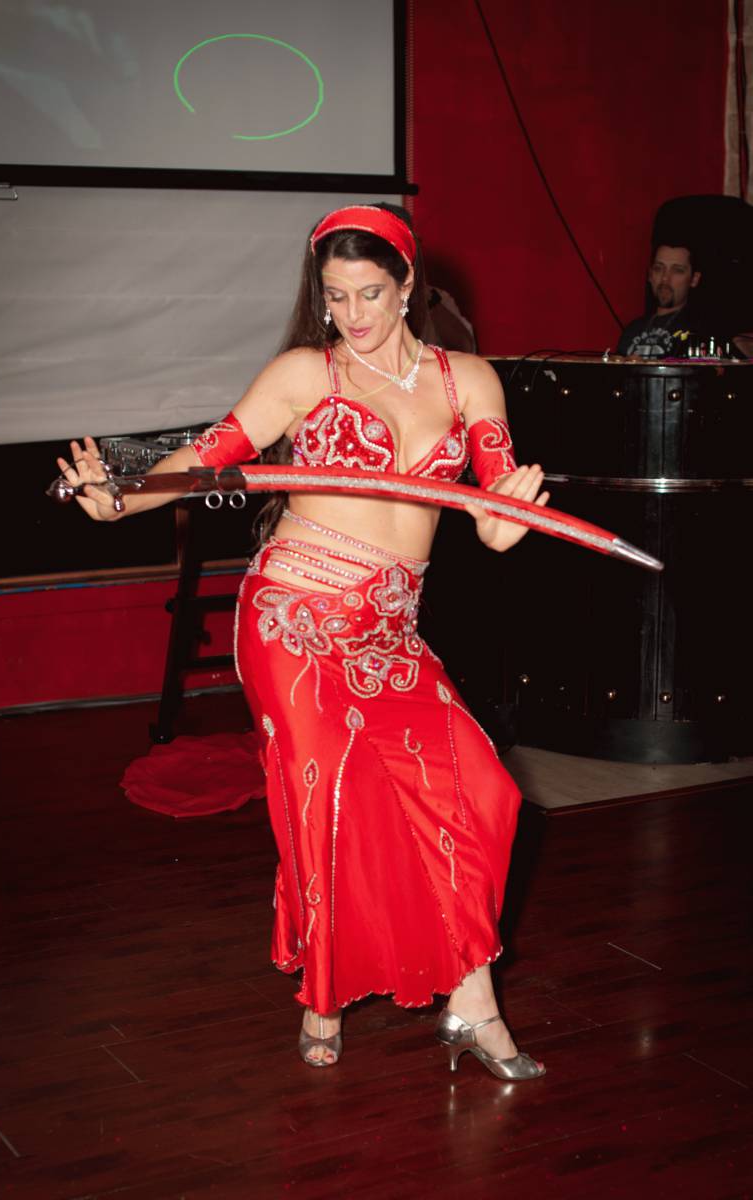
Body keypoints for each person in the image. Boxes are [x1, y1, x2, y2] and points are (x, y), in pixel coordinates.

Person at [58, 204, 549, 1077]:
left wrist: (504, 521)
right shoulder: (303, 372)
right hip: (294, 614)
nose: (352, 313)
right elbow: (208, 459)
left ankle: (470, 1000)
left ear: (407, 285)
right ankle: (325, 992)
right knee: (329, 802)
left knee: (481, 792)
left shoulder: (468, 381)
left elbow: (492, 502)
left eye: (370, 293)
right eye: (334, 295)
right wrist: (118, 499)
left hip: (390, 626)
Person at [617, 242, 702, 357]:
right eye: (658, 268)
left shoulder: (698, 331)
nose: (665, 278)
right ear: (650, 275)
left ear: (694, 279)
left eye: (677, 270)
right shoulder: (632, 330)